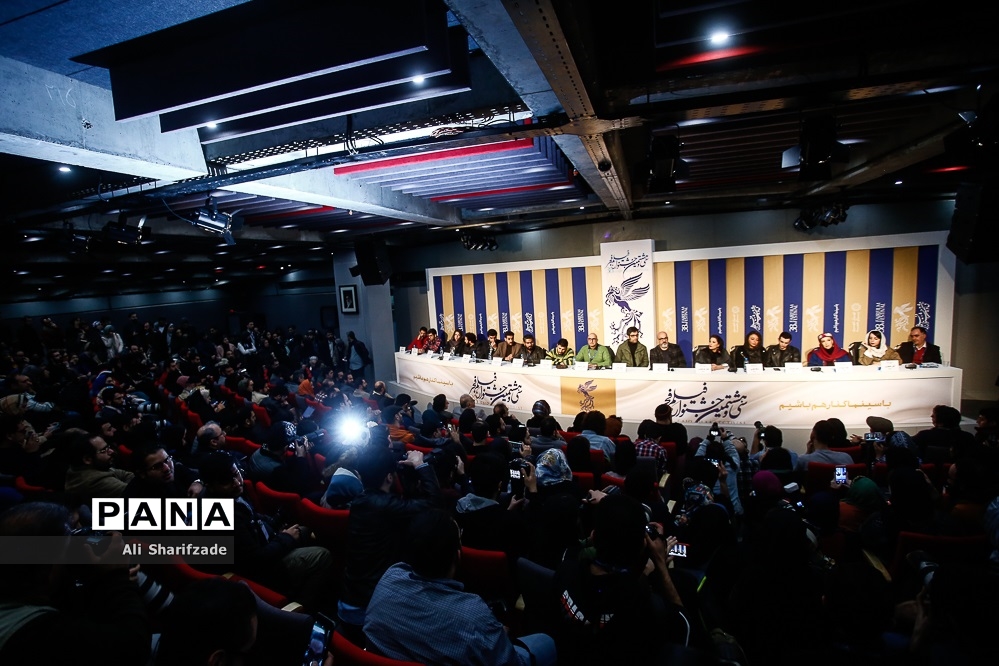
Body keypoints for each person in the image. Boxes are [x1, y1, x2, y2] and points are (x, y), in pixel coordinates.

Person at [365, 509, 556, 666]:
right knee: (546, 642)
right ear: (458, 556)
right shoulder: (473, 615)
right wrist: (496, 638)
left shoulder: (389, 577)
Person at [0, 502, 151, 666]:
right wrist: (116, 579)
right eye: (68, 546)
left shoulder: (18, 592)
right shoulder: (32, 633)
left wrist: (98, 582)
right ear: (45, 570)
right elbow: (134, 648)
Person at [550, 494, 690, 665]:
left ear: (593, 537)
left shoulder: (565, 570)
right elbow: (684, 627)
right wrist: (660, 564)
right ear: (643, 546)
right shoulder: (646, 605)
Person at [200, 452, 332, 609]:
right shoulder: (220, 515)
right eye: (226, 481)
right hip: (263, 571)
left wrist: (275, 524)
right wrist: (286, 538)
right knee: (322, 555)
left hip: (267, 544)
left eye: (236, 474)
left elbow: (253, 518)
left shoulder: (229, 496)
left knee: (304, 530)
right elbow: (256, 561)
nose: (236, 482)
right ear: (211, 486)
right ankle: (300, 608)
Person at [338, 445, 442, 639]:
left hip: (349, 600)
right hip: (370, 611)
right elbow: (433, 503)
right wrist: (421, 466)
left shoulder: (360, 502)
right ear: (388, 477)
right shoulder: (385, 506)